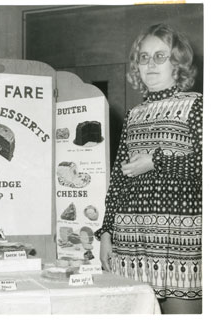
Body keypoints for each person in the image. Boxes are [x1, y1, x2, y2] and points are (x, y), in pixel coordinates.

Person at [95, 23, 202, 314]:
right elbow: (118, 180)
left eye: (160, 56)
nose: (150, 64)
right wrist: (106, 233)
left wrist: (156, 161)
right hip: (130, 244)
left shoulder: (197, 106)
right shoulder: (133, 115)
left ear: (176, 62)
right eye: (143, 57)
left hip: (181, 243)